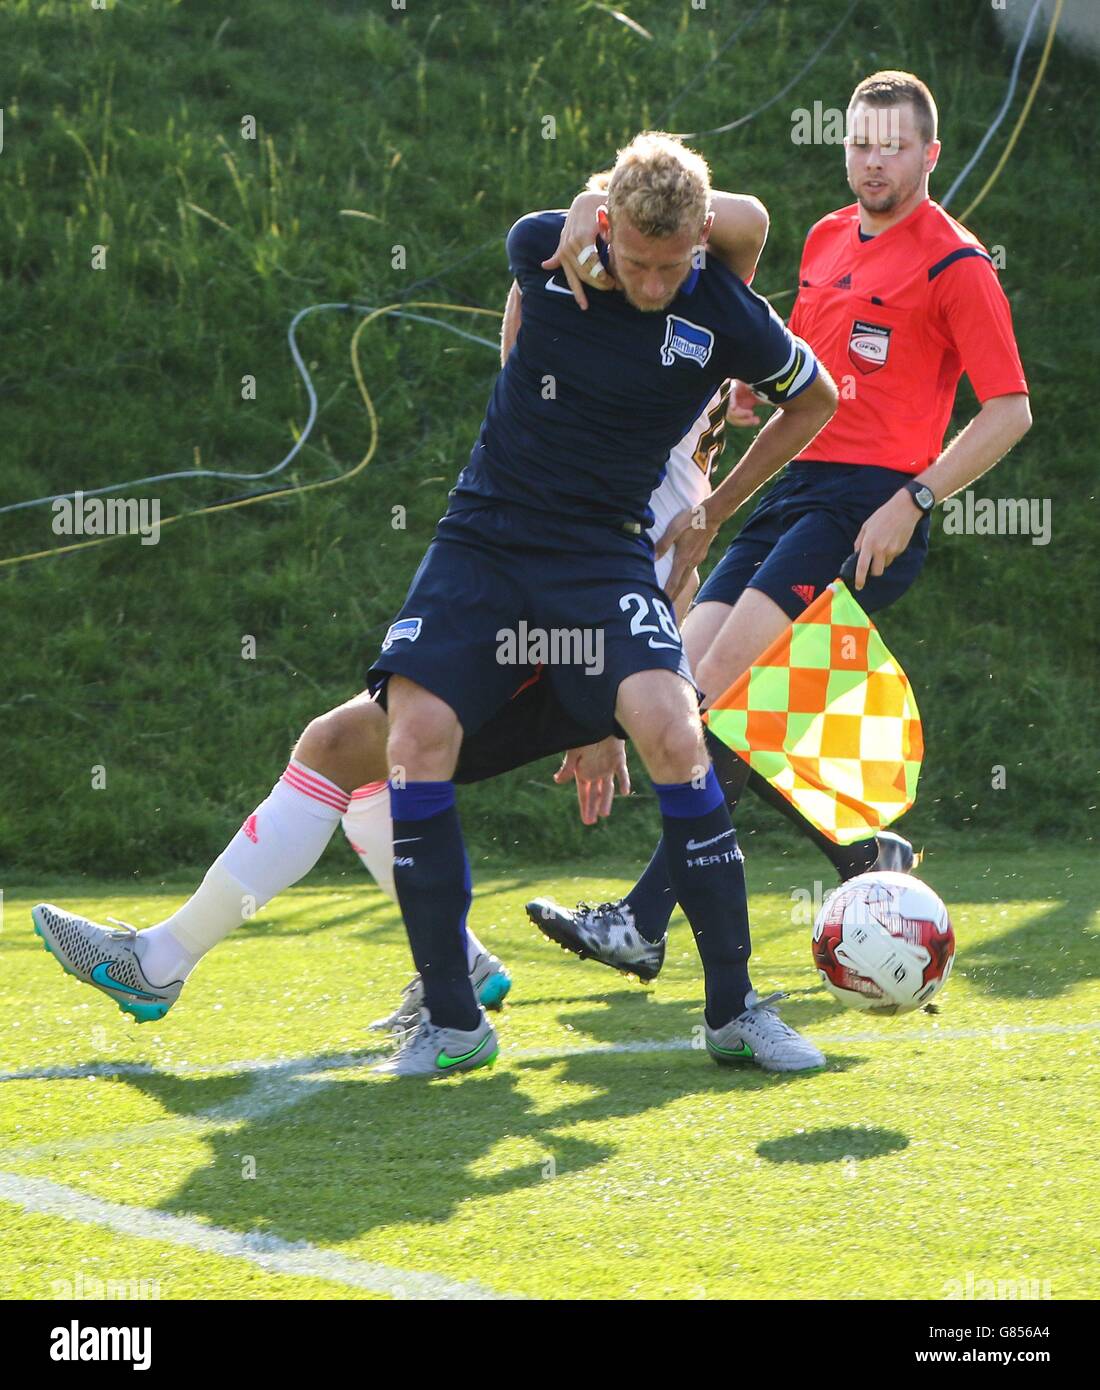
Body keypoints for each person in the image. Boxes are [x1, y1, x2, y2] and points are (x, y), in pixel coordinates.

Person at [32, 132, 837, 1077]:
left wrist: (704, 525)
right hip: (492, 543)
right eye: (636, 260)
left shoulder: (716, 315)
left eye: (672, 265)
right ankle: (448, 1001)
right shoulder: (556, 253)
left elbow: (777, 309)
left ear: (695, 247)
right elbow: (588, 256)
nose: (653, 284)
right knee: (369, 746)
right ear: (610, 230)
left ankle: (728, 1011)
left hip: (605, 563)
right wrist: (585, 209)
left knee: (665, 726)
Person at [524, 71, 1032, 982]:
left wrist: (912, 499)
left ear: (928, 155)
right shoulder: (833, 238)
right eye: (859, 141)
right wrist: (737, 441)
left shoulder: (956, 262)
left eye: (892, 144)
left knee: (711, 693)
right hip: (796, 491)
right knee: (695, 690)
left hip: (864, 506)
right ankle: (864, 858)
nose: (872, 159)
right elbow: (803, 371)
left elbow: (1009, 410)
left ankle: (642, 923)